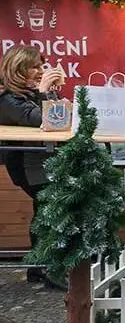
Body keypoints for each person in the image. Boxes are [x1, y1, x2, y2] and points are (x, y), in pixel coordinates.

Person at [0, 46, 67, 288]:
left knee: (47, 210)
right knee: (46, 211)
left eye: (41, 65)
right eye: (35, 67)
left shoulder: (26, 93)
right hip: (28, 164)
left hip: (41, 160)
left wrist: (53, 92)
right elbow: (45, 119)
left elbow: (60, 118)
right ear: (19, 69)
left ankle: (41, 268)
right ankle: (44, 268)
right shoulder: (7, 97)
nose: (41, 70)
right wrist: (45, 91)